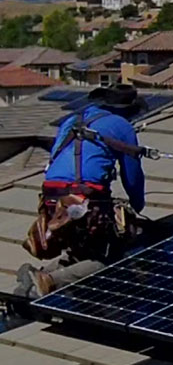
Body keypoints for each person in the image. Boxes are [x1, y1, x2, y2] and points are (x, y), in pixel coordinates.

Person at [17, 85, 147, 298]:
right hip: (84, 198)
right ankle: (48, 281)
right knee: (109, 257)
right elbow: (132, 175)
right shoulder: (121, 125)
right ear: (127, 109)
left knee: (80, 248)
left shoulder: (72, 121)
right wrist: (137, 205)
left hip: (52, 198)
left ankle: (35, 275)